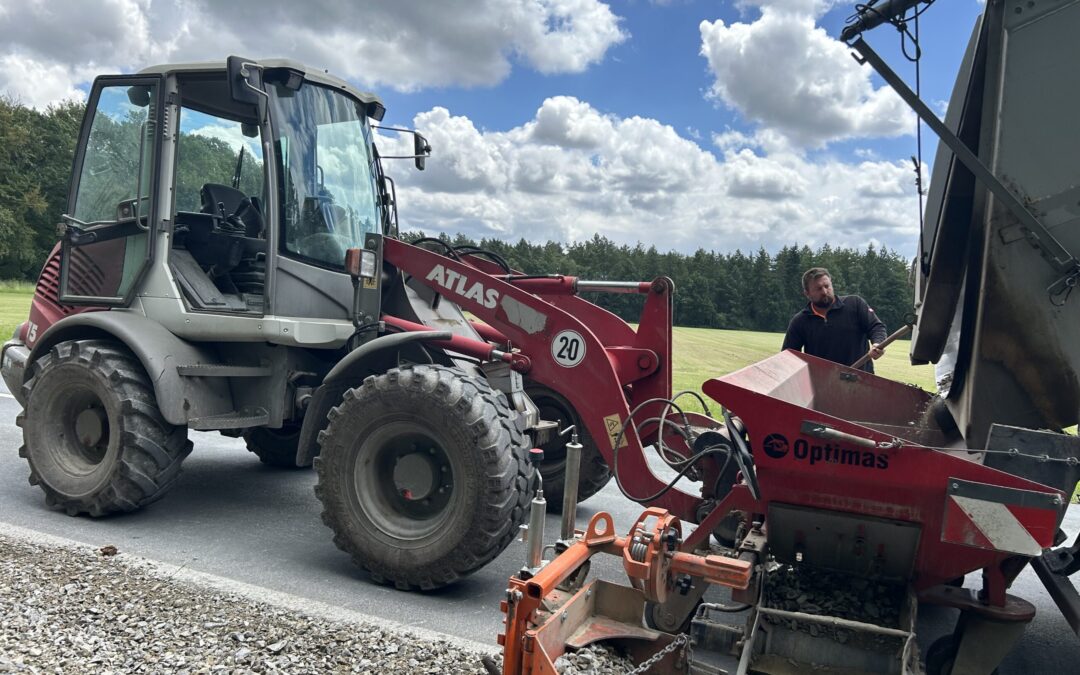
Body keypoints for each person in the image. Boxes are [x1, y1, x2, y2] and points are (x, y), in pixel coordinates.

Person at [782, 267, 888, 373]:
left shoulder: (855, 304)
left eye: (827, 286)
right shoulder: (800, 321)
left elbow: (876, 327)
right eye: (818, 289)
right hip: (823, 384)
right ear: (807, 293)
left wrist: (877, 343)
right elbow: (788, 356)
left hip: (861, 380)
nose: (824, 291)